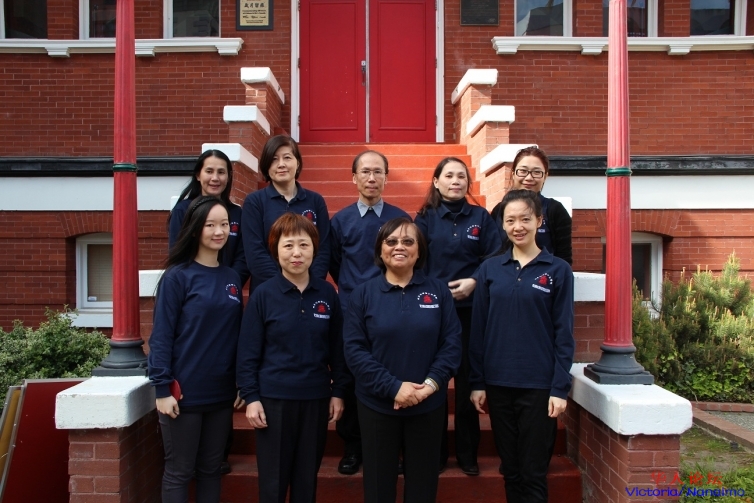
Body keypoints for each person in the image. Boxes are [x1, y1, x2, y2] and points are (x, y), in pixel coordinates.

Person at [343, 217, 462, 503]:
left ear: (419, 251)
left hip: (427, 404)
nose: (400, 247)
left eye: (408, 241)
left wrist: (429, 386)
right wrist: (394, 387)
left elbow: (452, 344)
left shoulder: (438, 292)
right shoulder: (362, 294)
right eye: (391, 241)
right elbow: (355, 350)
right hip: (376, 406)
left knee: (423, 488)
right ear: (380, 249)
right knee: (378, 488)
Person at [470, 189, 575, 503]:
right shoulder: (489, 270)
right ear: (502, 224)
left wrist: (559, 388)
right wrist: (477, 382)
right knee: (511, 470)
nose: (518, 226)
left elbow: (564, 333)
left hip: (538, 385)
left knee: (533, 473)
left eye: (525, 219)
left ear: (539, 221)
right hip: (498, 383)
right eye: (510, 220)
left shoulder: (558, 270)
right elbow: (478, 330)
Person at [237, 213, 347, 503]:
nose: (296, 253)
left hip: (315, 398)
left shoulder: (327, 294)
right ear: (276, 251)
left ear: (314, 249)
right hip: (273, 401)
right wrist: (251, 397)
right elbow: (248, 352)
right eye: (288, 245)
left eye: (304, 245)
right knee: (273, 482)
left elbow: (338, 348)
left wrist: (338, 392)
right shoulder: (263, 295)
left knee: (306, 479)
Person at [148, 196, 244, 503]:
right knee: (179, 471)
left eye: (225, 224)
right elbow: (162, 336)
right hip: (183, 394)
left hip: (221, 393)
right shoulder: (177, 277)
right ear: (194, 229)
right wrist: (162, 388)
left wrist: (242, 382)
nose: (219, 231)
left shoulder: (231, 278)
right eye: (210, 225)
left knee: (211, 469)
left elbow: (235, 336)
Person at [414, 157, 502, 476]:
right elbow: (415, 260)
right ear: (436, 181)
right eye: (448, 175)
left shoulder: (481, 217)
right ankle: (435, 454)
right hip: (433, 313)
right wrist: (435, 293)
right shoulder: (425, 218)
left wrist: (474, 281)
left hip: (470, 312)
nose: (455, 181)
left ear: (468, 182)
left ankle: (467, 454)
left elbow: (495, 257)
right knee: (434, 384)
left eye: (461, 176)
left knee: (467, 386)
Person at [329, 150, 410, 476]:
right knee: (352, 377)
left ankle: (394, 448)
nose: (372, 178)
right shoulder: (341, 221)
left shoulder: (399, 218)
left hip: (392, 309)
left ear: (387, 177)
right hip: (352, 309)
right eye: (365, 172)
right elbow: (335, 262)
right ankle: (353, 447)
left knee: (392, 374)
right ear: (354, 178)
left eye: (378, 172)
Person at [242, 135, 331, 293]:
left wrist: (307, 284)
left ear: (298, 163)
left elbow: (323, 249)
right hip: (268, 291)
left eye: (287, 157)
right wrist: (284, 287)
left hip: (308, 291)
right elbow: (254, 253)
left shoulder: (315, 201)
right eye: (274, 159)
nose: (281, 164)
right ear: (266, 165)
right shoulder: (255, 202)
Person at [168, 149, 249, 286]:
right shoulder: (183, 210)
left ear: (228, 177)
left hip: (227, 289)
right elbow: (178, 256)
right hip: (193, 289)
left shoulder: (237, 213)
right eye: (209, 171)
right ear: (198, 175)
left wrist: (228, 284)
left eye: (221, 172)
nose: (215, 178)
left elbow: (242, 258)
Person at [490, 146, 573, 265]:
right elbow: (492, 251)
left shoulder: (555, 210)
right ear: (513, 173)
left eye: (537, 172)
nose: (529, 178)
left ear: (545, 176)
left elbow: (564, 259)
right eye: (523, 171)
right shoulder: (499, 210)